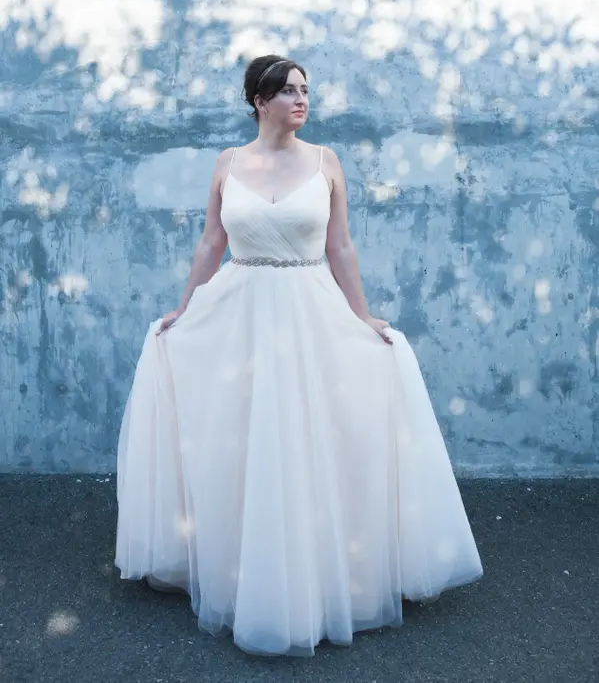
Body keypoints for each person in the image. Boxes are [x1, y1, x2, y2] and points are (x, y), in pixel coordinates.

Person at [115, 55, 483, 657]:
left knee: (316, 435)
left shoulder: (325, 161)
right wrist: (185, 307)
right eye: (287, 91)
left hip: (310, 306)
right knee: (243, 436)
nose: (300, 99)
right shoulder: (228, 164)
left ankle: (325, 575)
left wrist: (361, 317)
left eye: (305, 90)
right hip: (240, 308)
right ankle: (244, 571)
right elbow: (212, 241)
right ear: (258, 101)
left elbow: (340, 245)